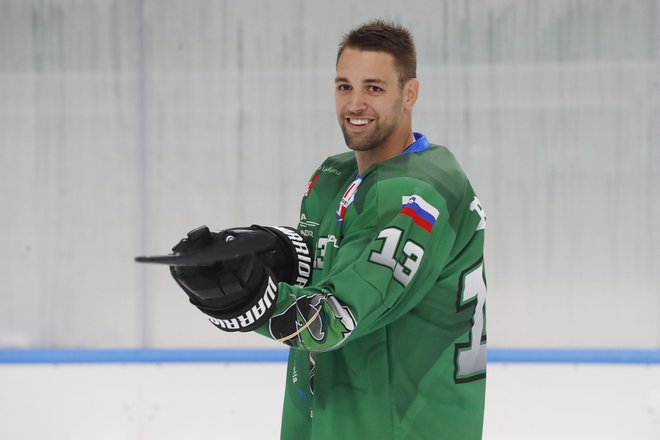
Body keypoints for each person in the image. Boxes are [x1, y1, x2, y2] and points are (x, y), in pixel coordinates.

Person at [168, 20, 487, 439]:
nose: (355, 103)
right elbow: (333, 254)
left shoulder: (420, 195)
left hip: (398, 425)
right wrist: (266, 249)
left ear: (410, 94)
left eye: (374, 88)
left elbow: (335, 317)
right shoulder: (335, 173)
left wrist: (243, 299)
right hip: (335, 416)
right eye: (344, 87)